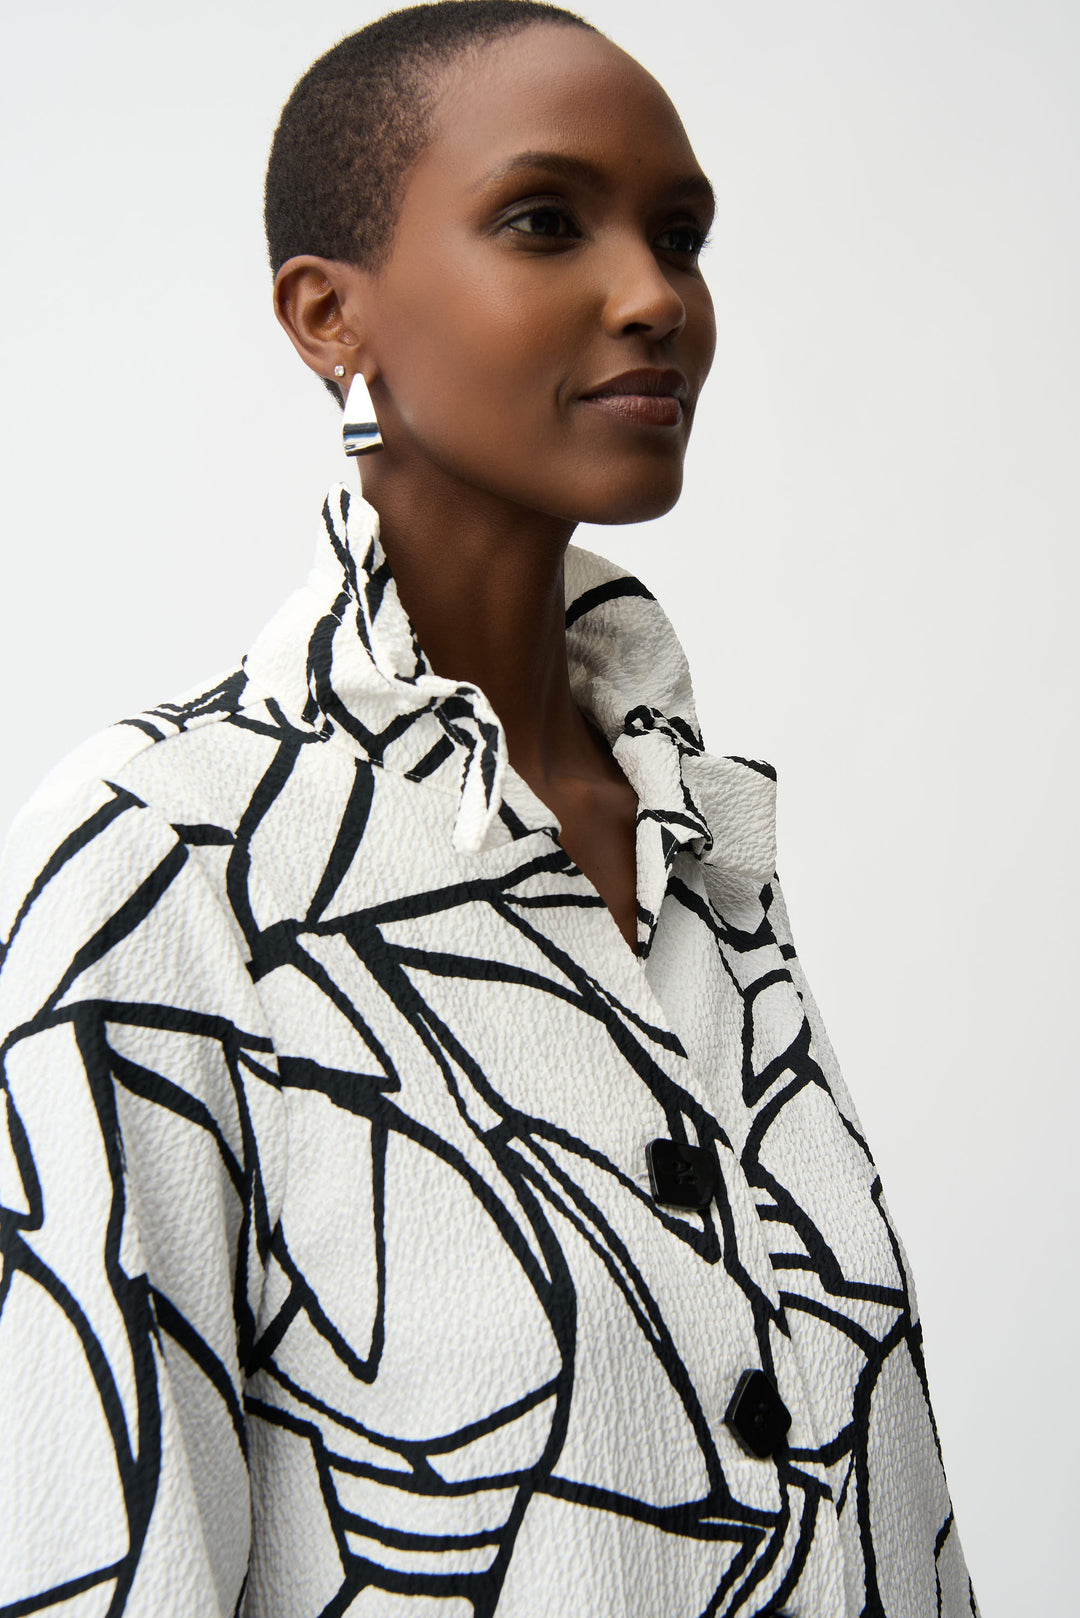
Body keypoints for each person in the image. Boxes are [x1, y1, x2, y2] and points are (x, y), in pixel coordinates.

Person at [0, 3, 978, 1614]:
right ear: (328, 316)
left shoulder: (699, 847)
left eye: (682, 236)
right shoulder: (165, 853)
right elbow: (91, 1550)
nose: (657, 296)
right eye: (546, 221)